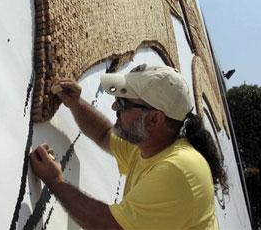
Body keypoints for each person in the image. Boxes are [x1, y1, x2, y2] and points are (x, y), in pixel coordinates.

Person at [29, 64, 228, 229]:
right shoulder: (150, 145)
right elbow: (104, 134)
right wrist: (76, 104)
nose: (115, 108)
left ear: (154, 119)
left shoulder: (178, 168)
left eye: (123, 104)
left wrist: (55, 181)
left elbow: (112, 227)